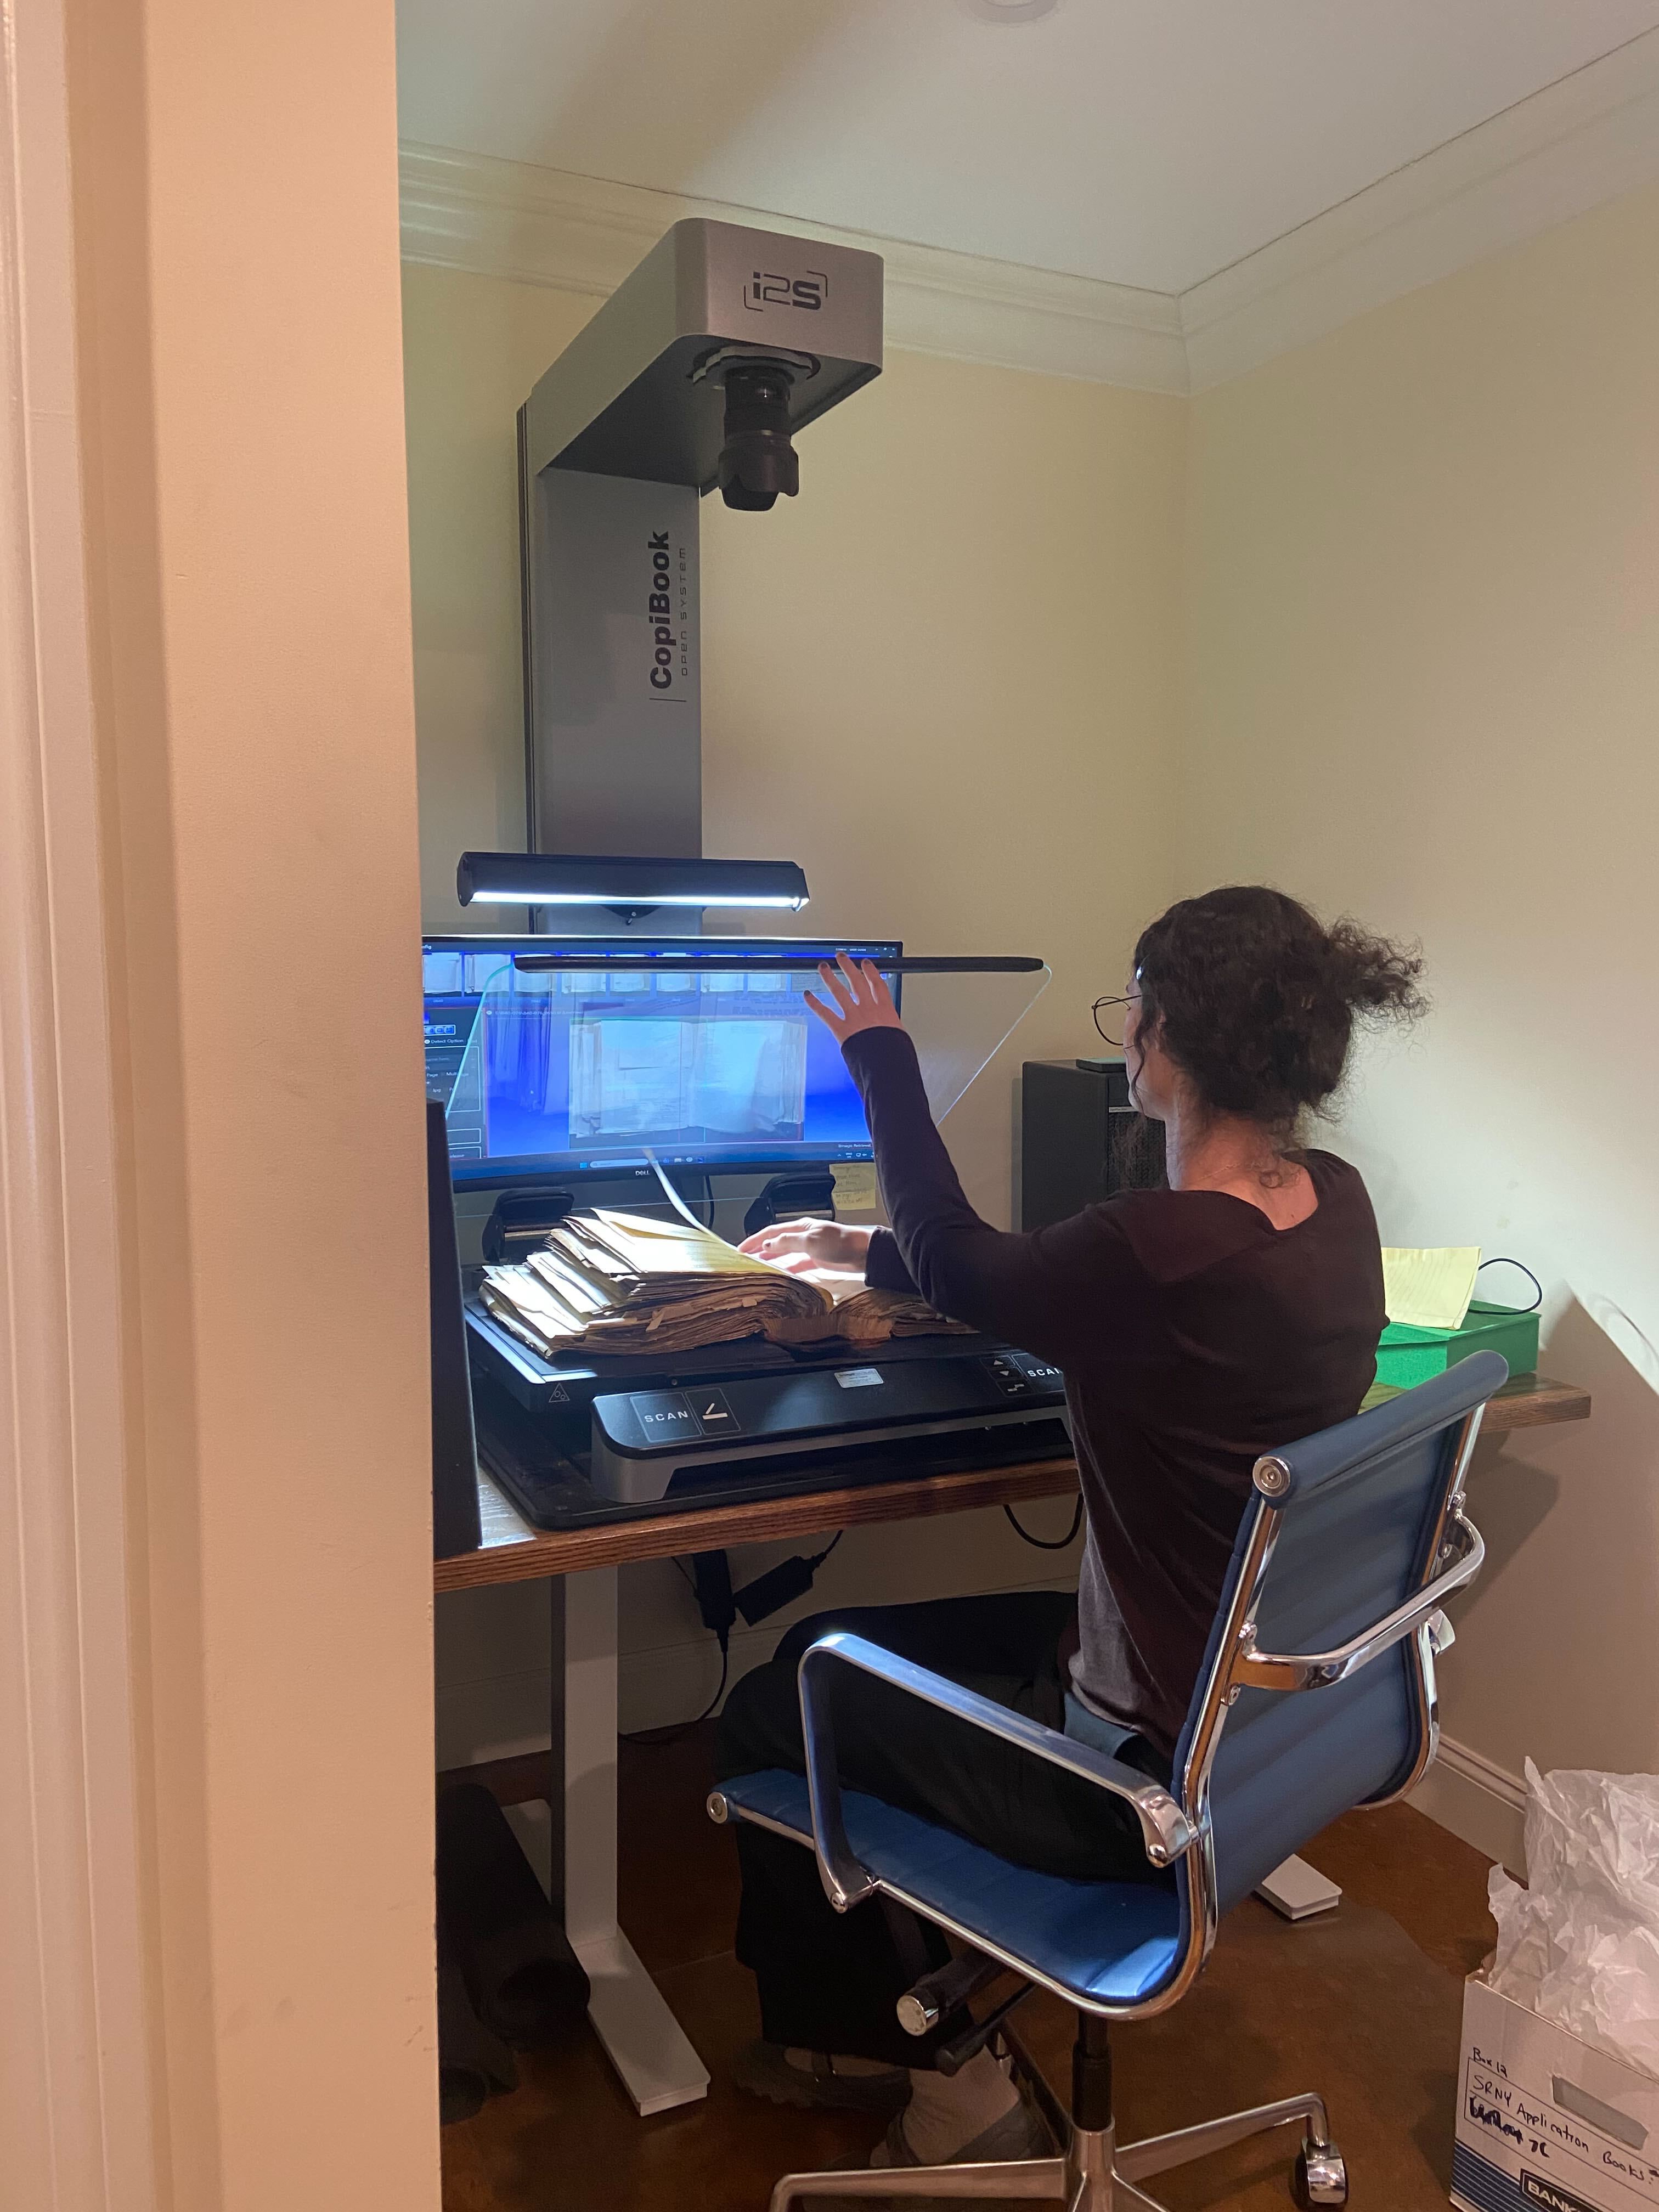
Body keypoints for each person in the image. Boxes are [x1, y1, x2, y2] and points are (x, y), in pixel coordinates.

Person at [717, 884, 1427, 2172]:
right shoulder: (1335, 1201)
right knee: (859, 1647)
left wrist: (878, 1047)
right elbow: (997, 1274)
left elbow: (968, 1261)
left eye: (1132, 1010)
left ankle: (943, 2086)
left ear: (1158, 1042)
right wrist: (855, 1247)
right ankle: (879, 2021)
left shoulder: (1157, 1248)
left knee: (787, 1697)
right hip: (1252, 1725)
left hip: (1129, 1783)